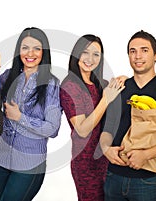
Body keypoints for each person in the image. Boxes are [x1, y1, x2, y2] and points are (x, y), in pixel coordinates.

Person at [100, 30, 156, 201]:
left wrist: (146, 154)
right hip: (113, 177)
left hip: (146, 181)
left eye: (144, 50)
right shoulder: (119, 88)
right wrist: (105, 148)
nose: (137, 56)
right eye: (132, 51)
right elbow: (106, 129)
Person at [0, 27, 62, 201]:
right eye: (25, 48)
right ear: (18, 51)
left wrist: (20, 117)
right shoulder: (7, 76)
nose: (30, 53)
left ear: (44, 52)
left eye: (36, 48)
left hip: (29, 167)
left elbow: (53, 128)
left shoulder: (51, 84)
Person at [59, 34, 125, 201]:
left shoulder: (101, 84)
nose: (90, 58)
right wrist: (105, 99)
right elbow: (82, 129)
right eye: (85, 52)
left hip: (109, 160)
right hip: (86, 164)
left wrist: (126, 80)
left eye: (96, 54)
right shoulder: (70, 87)